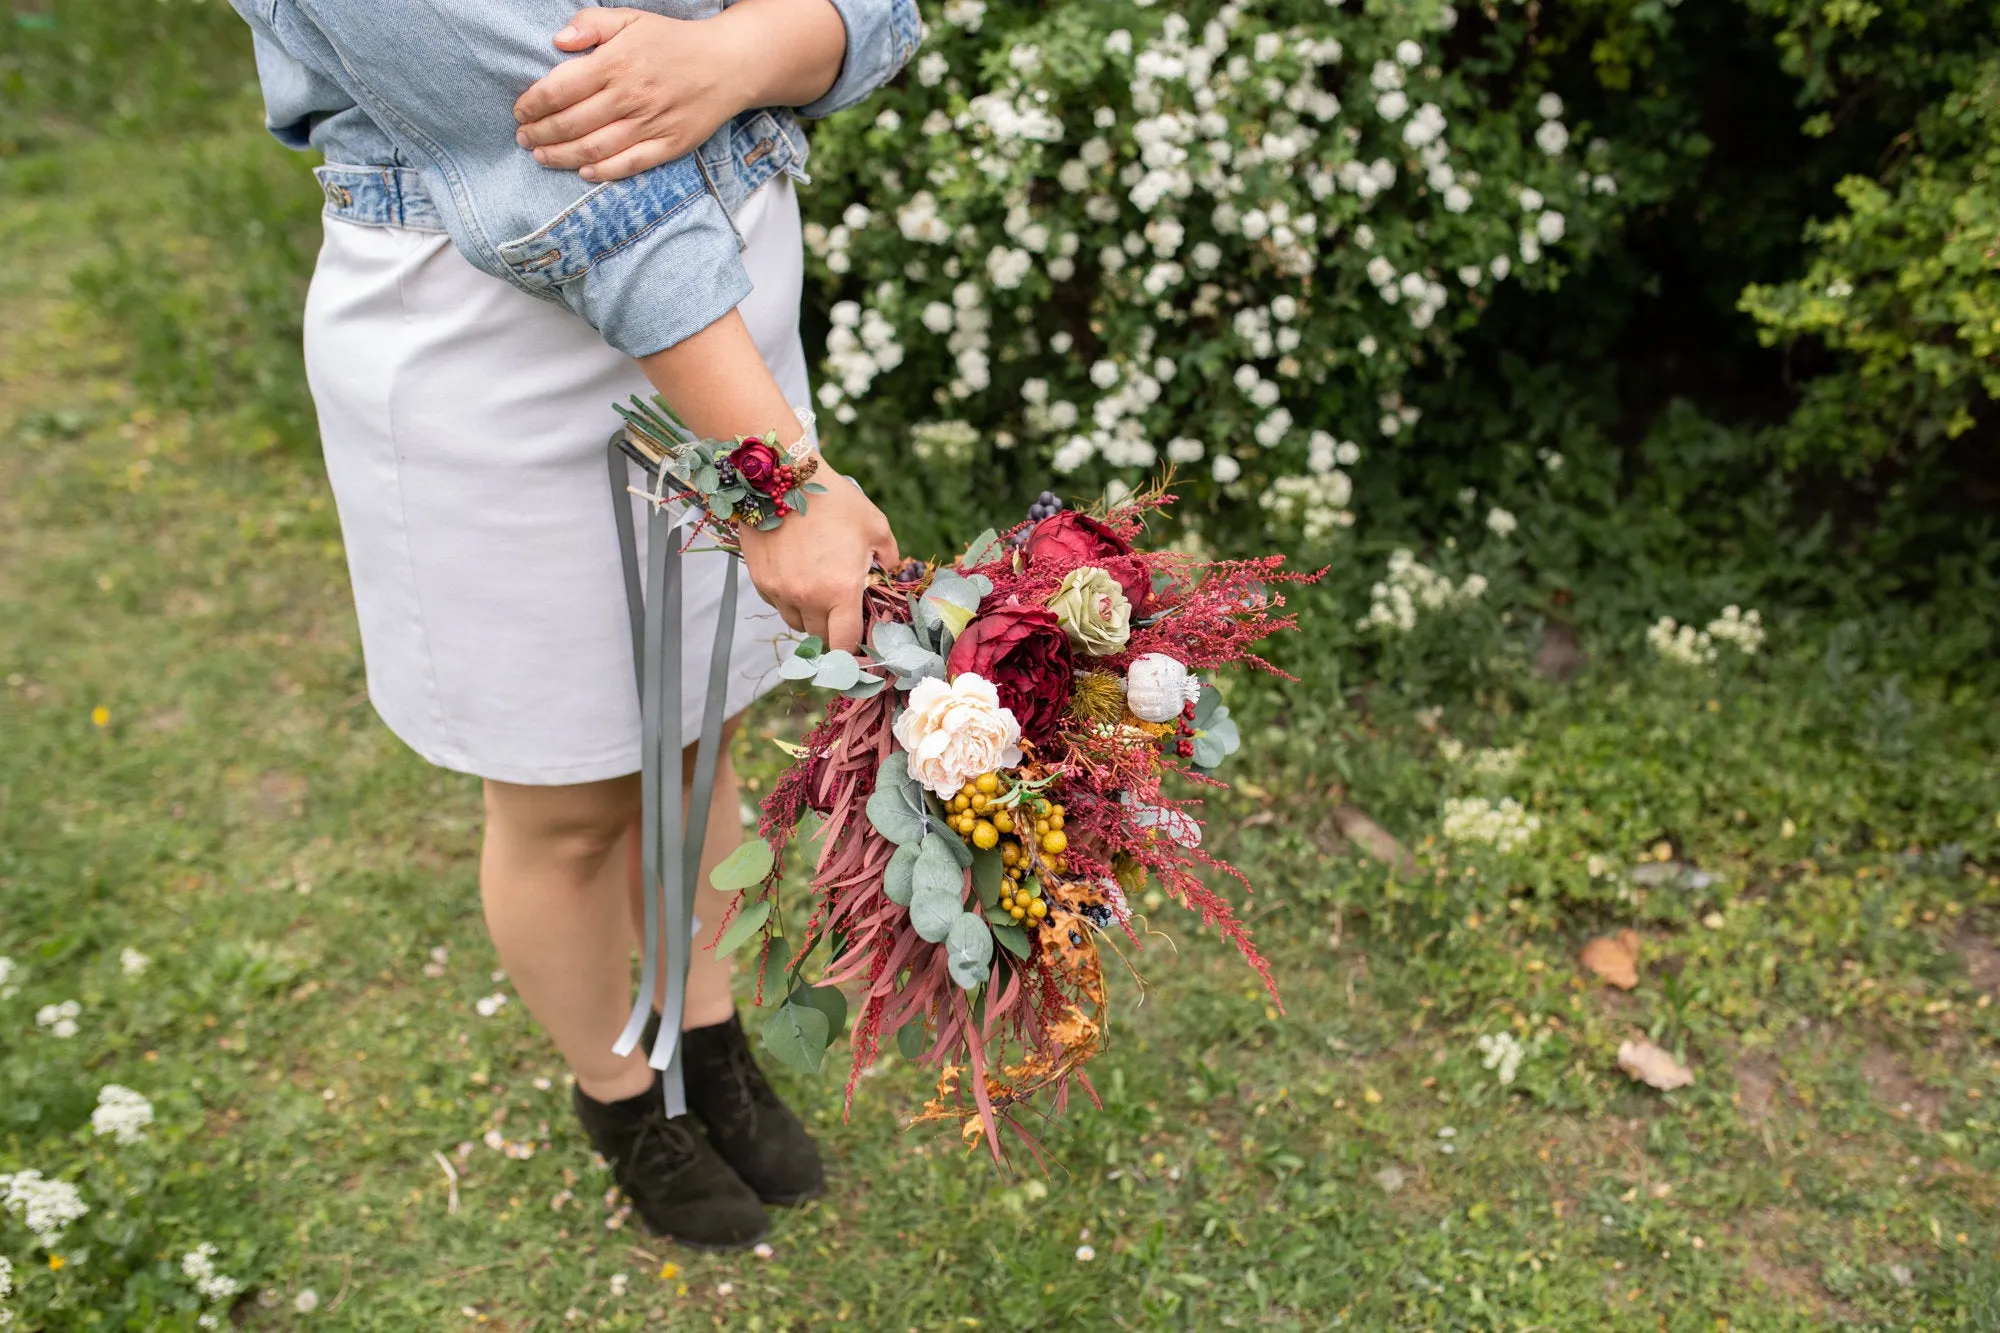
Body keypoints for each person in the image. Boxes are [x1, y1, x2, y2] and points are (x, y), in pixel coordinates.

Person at [227, 0, 914, 1249]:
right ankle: (619, 1091)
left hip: (723, 320)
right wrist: (781, 481)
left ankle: (699, 1035)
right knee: (568, 795)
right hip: (492, 345)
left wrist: (731, 55)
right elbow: (560, 176)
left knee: (700, 726)